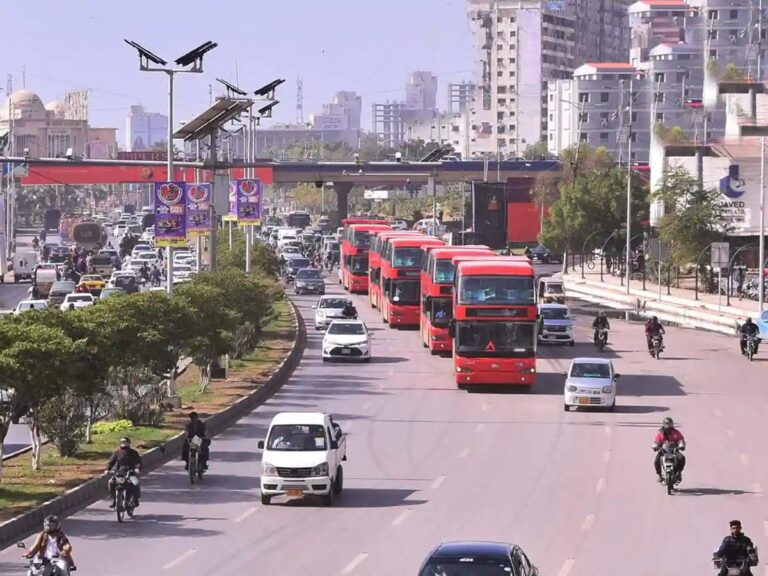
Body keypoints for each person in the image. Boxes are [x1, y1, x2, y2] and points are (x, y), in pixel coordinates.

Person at [105, 436, 143, 509]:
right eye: (122, 442)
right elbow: (111, 462)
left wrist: (137, 468)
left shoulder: (133, 453)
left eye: (125, 442)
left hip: (130, 473)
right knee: (110, 483)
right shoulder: (117, 452)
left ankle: (135, 499)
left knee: (136, 483)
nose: (123, 443)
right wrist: (107, 469)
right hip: (119, 474)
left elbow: (138, 462)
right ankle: (115, 500)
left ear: (128, 443)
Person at [652, 417, 686, 483]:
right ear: (663, 424)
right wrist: (655, 446)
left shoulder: (676, 433)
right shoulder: (660, 433)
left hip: (674, 451)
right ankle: (659, 475)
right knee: (656, 461)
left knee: (682, 458)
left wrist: (681, 445)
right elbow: (656, 441)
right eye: (667, 424)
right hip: (663, 451)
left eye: (670, 424)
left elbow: (680, 440)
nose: (668, 426)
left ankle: (679, 473)